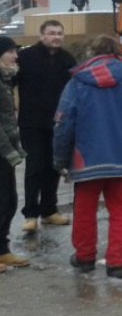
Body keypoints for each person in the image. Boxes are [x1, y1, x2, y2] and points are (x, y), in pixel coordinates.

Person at [53, 35, 122, 279]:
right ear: (119, 52)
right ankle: (116, 264)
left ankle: (84, 258)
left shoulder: (77, 82)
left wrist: (60, 158)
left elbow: (64, 122)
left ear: (93, 53)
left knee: (84, 209)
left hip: (86, 158)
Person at [18, 19, 76, 233]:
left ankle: (49, 210)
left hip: (58, 123)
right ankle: (31, 214)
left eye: (60, 33)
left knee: (54, 166)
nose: (56, 37)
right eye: (52, 33)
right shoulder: (25, 57)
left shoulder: (68, 59)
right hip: (31, 123)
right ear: (42, 35)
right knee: (34, 167)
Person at [0, 36, 29, 270]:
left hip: (5, 151)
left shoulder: (6, 79)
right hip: (2, 150)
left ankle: (2, 249)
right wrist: (11, 152)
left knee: (9, 201)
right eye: (10, 51)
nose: (15, 56)